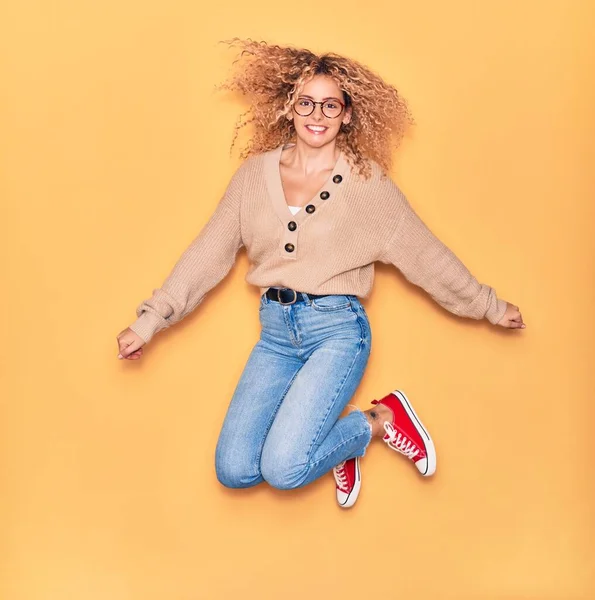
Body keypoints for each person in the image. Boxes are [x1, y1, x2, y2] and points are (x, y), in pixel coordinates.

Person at [116, 39, 525, 509]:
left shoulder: (367, 183)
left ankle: (380, 421)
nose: (318, 114)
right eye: (307, 102)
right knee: (235, 470)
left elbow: (425, 255)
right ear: (290, 106)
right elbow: (207, 252)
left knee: (284, 469)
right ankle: (340, 445)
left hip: (337, 331)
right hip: (274, 334)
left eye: (331, 104)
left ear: (347, 114)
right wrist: (149, 321)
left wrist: (490, 306)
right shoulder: (254, 176)